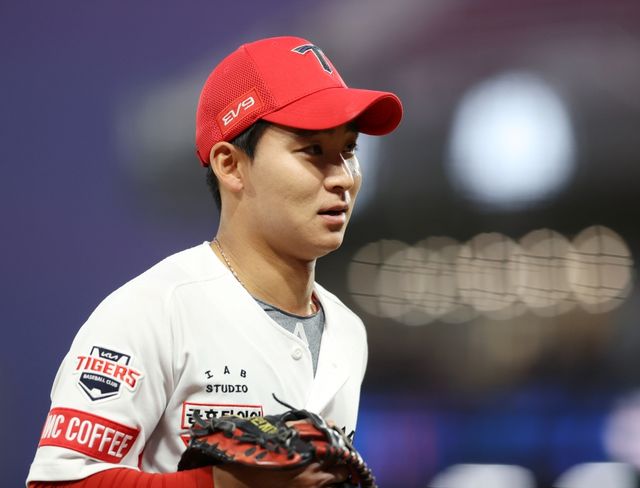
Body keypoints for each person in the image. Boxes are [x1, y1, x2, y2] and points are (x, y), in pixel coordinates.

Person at [27, 35, 402, 488]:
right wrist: (224, 484)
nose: (342, 176)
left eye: (349, 150)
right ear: (230, 165)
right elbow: (58, 482)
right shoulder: (153, 312)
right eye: (313, 151)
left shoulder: (348, 331)